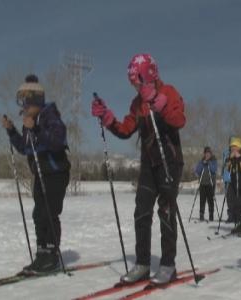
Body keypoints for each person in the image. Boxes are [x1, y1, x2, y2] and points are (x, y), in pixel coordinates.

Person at [91, 53, 186, 284]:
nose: (133, 84)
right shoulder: (137, 104)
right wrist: (108, 118)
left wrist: (158, 102)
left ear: (147, 74)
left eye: (135, 79)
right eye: (131, 80)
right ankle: (142, 263)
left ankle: (167, 265)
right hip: (148, 164)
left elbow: (179, 120)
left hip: (169, 162)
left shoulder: (169, 92)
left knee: (166, 211)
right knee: (141, 212)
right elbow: (125, 130)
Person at [2, 74, 70, 274]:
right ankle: (42, 254)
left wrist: (37, 129)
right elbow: (25, 148)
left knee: (49, 213)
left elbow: (57, 141)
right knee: (38, 214)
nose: (23, 106)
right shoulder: (29, 121)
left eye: (25, 101)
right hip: (40, 174)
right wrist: (12, 131)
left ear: (35, 100)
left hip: (56, 173)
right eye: (21, 101)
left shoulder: (50, 115)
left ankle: (52, 255)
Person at [194, 146, 218, 221]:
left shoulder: (213, 160)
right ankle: (201, 214)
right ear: (204, 154)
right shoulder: (201, 161)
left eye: (208, 153)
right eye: (206, 153)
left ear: (210, 154)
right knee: (202, 200)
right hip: (202, 183)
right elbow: (197, 171)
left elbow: (214, 170)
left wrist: (209, 163)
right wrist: (203, 164)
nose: (207, 155)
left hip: (211, 183)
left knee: (210, 200)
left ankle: (211, 215)